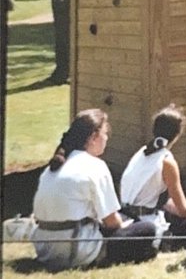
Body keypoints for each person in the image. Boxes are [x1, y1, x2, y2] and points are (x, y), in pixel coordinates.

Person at [32, 109, 158, 270]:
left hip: (45, 251)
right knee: (147, 228)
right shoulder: (95, 165)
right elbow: (112, 222)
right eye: (105, 134)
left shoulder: (53, 168)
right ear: (93, 137)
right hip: (75, 251)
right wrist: (127, 225)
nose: (106, 139)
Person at [119, 106, 186, 250]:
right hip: (146, 222)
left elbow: (163, 202)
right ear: (177, 135)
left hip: (127, 217)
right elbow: (183, 210)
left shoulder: (142, 152)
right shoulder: (166, 161)